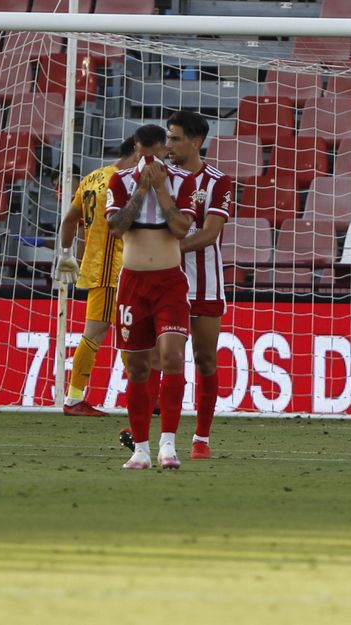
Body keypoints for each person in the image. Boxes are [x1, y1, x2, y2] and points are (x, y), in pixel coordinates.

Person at [105, 124, 197, 470]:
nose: (148, 163)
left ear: (163, 152)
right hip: (133, 285)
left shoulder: (183, 182)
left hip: (169, 283)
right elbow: (116, 228)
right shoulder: (120, 181)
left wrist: (159, 189)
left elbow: (180, 229)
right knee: (138, 367)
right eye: (142, 156)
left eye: (154, 156)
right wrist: (142, 190)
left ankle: (168, 444)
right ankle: (141, 449)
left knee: (172, 357)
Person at [54, 136, 142, 416]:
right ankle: (73, 398)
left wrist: (66, 253)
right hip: (111, 268)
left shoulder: (92, 178)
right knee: (98, 332)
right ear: (136, 152)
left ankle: (144, 395)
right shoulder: (123, 182)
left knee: (129, 333)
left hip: (101, 265)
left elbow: (70, 219)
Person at [165, 110, 233, 460]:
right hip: (166, 283)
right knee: (167, 359)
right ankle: (162, 438)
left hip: (205, 284)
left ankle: (201, 438)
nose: (169, 144)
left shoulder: (218, 182)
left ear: (196, 142)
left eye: (175, 138)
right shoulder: (161, 179)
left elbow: (209, 234)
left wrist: (168, 249)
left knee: (205, 359)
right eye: (168, 137)